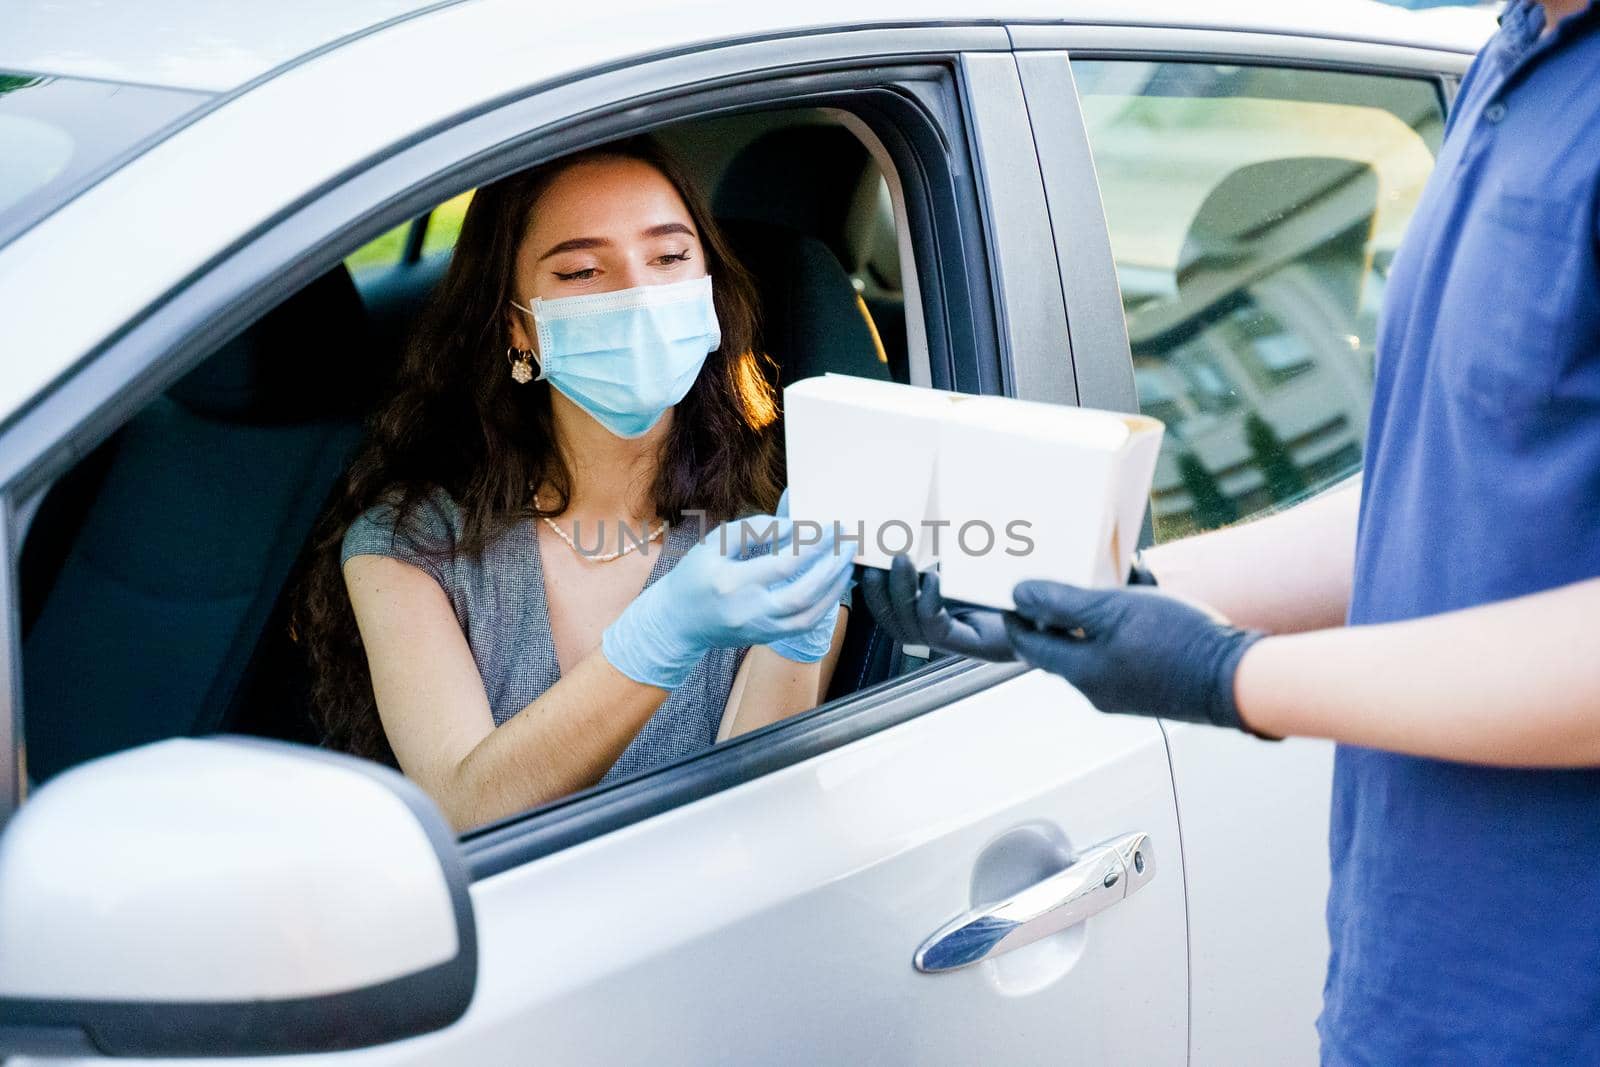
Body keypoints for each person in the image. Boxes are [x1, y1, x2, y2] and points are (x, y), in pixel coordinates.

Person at [864, 2, 1600, 1062]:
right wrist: (1101, 573)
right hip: (1411, 996)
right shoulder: (1516, 49)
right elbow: (1439, 480)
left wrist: (1227, 675)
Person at [296, 137, 855, 831]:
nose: (640, 294)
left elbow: (753, 825)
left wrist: (801, 634)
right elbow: (466, 809)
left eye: (671, 257)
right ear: (518, 329)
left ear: (709, 298)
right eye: (584, 271)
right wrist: (664, 633)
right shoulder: (409, 545)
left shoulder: (766, 540)